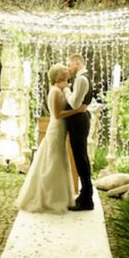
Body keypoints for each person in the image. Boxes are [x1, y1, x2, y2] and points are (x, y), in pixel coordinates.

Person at [15, 64, 87, 214]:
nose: (68, 69)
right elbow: (57, 114)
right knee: (53, 161)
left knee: (59, 160)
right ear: (58, 75)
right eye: (64, 69)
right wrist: (77, 110)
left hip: (61, 129)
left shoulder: (61, 89)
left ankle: (60, 197)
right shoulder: (54, 91)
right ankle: (49, 199)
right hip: (56, 128)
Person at [64, 54, 95, 211]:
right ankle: (85, 195)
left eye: (69, 65)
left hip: (79, 121)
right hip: (79, 120)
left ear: (77, 62)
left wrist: (66, 90)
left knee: (81, 159)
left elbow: (75, 103)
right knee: (81, 158)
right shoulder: (83, 78)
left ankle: (87, 199)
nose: (68, 68)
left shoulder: (82, 79)